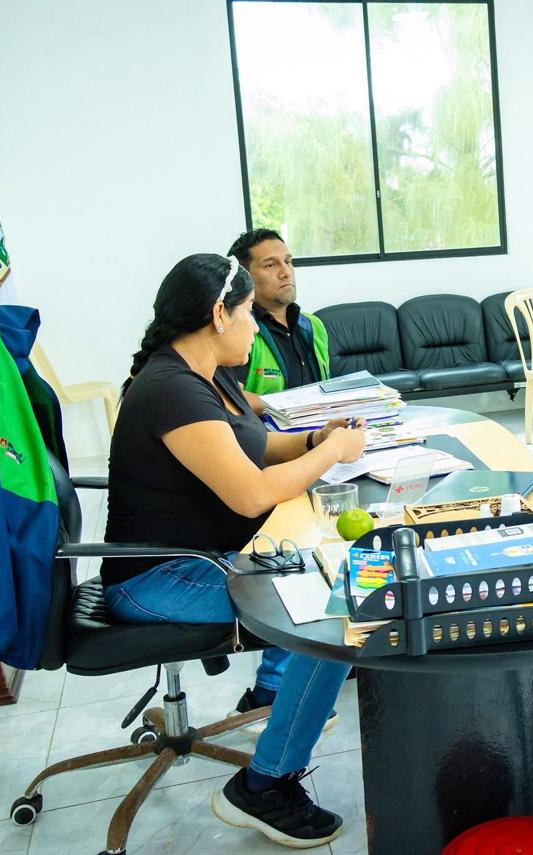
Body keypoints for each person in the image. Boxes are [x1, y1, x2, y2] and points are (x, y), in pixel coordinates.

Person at [104, 254, 365, 847]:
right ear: (219, 314)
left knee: (328, 587)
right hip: (156, 581)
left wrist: (315, 438)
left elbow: (258, 446)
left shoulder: (205, 373)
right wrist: (333, 454)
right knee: (334, 621)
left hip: (200, 562)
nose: (254, 325)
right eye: (248, 312)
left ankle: (273, 710)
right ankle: (263, 786)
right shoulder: (171, 390)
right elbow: (250, 494)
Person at [227, 229, 331, 413]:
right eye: (270, 265)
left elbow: (326, 389)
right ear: (244, 277)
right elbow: (230, 397)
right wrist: (294, 408)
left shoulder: (314, 325)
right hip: (265, 430)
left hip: (322, 426)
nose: (286, 272)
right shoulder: (237, 329)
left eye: (288, 262)